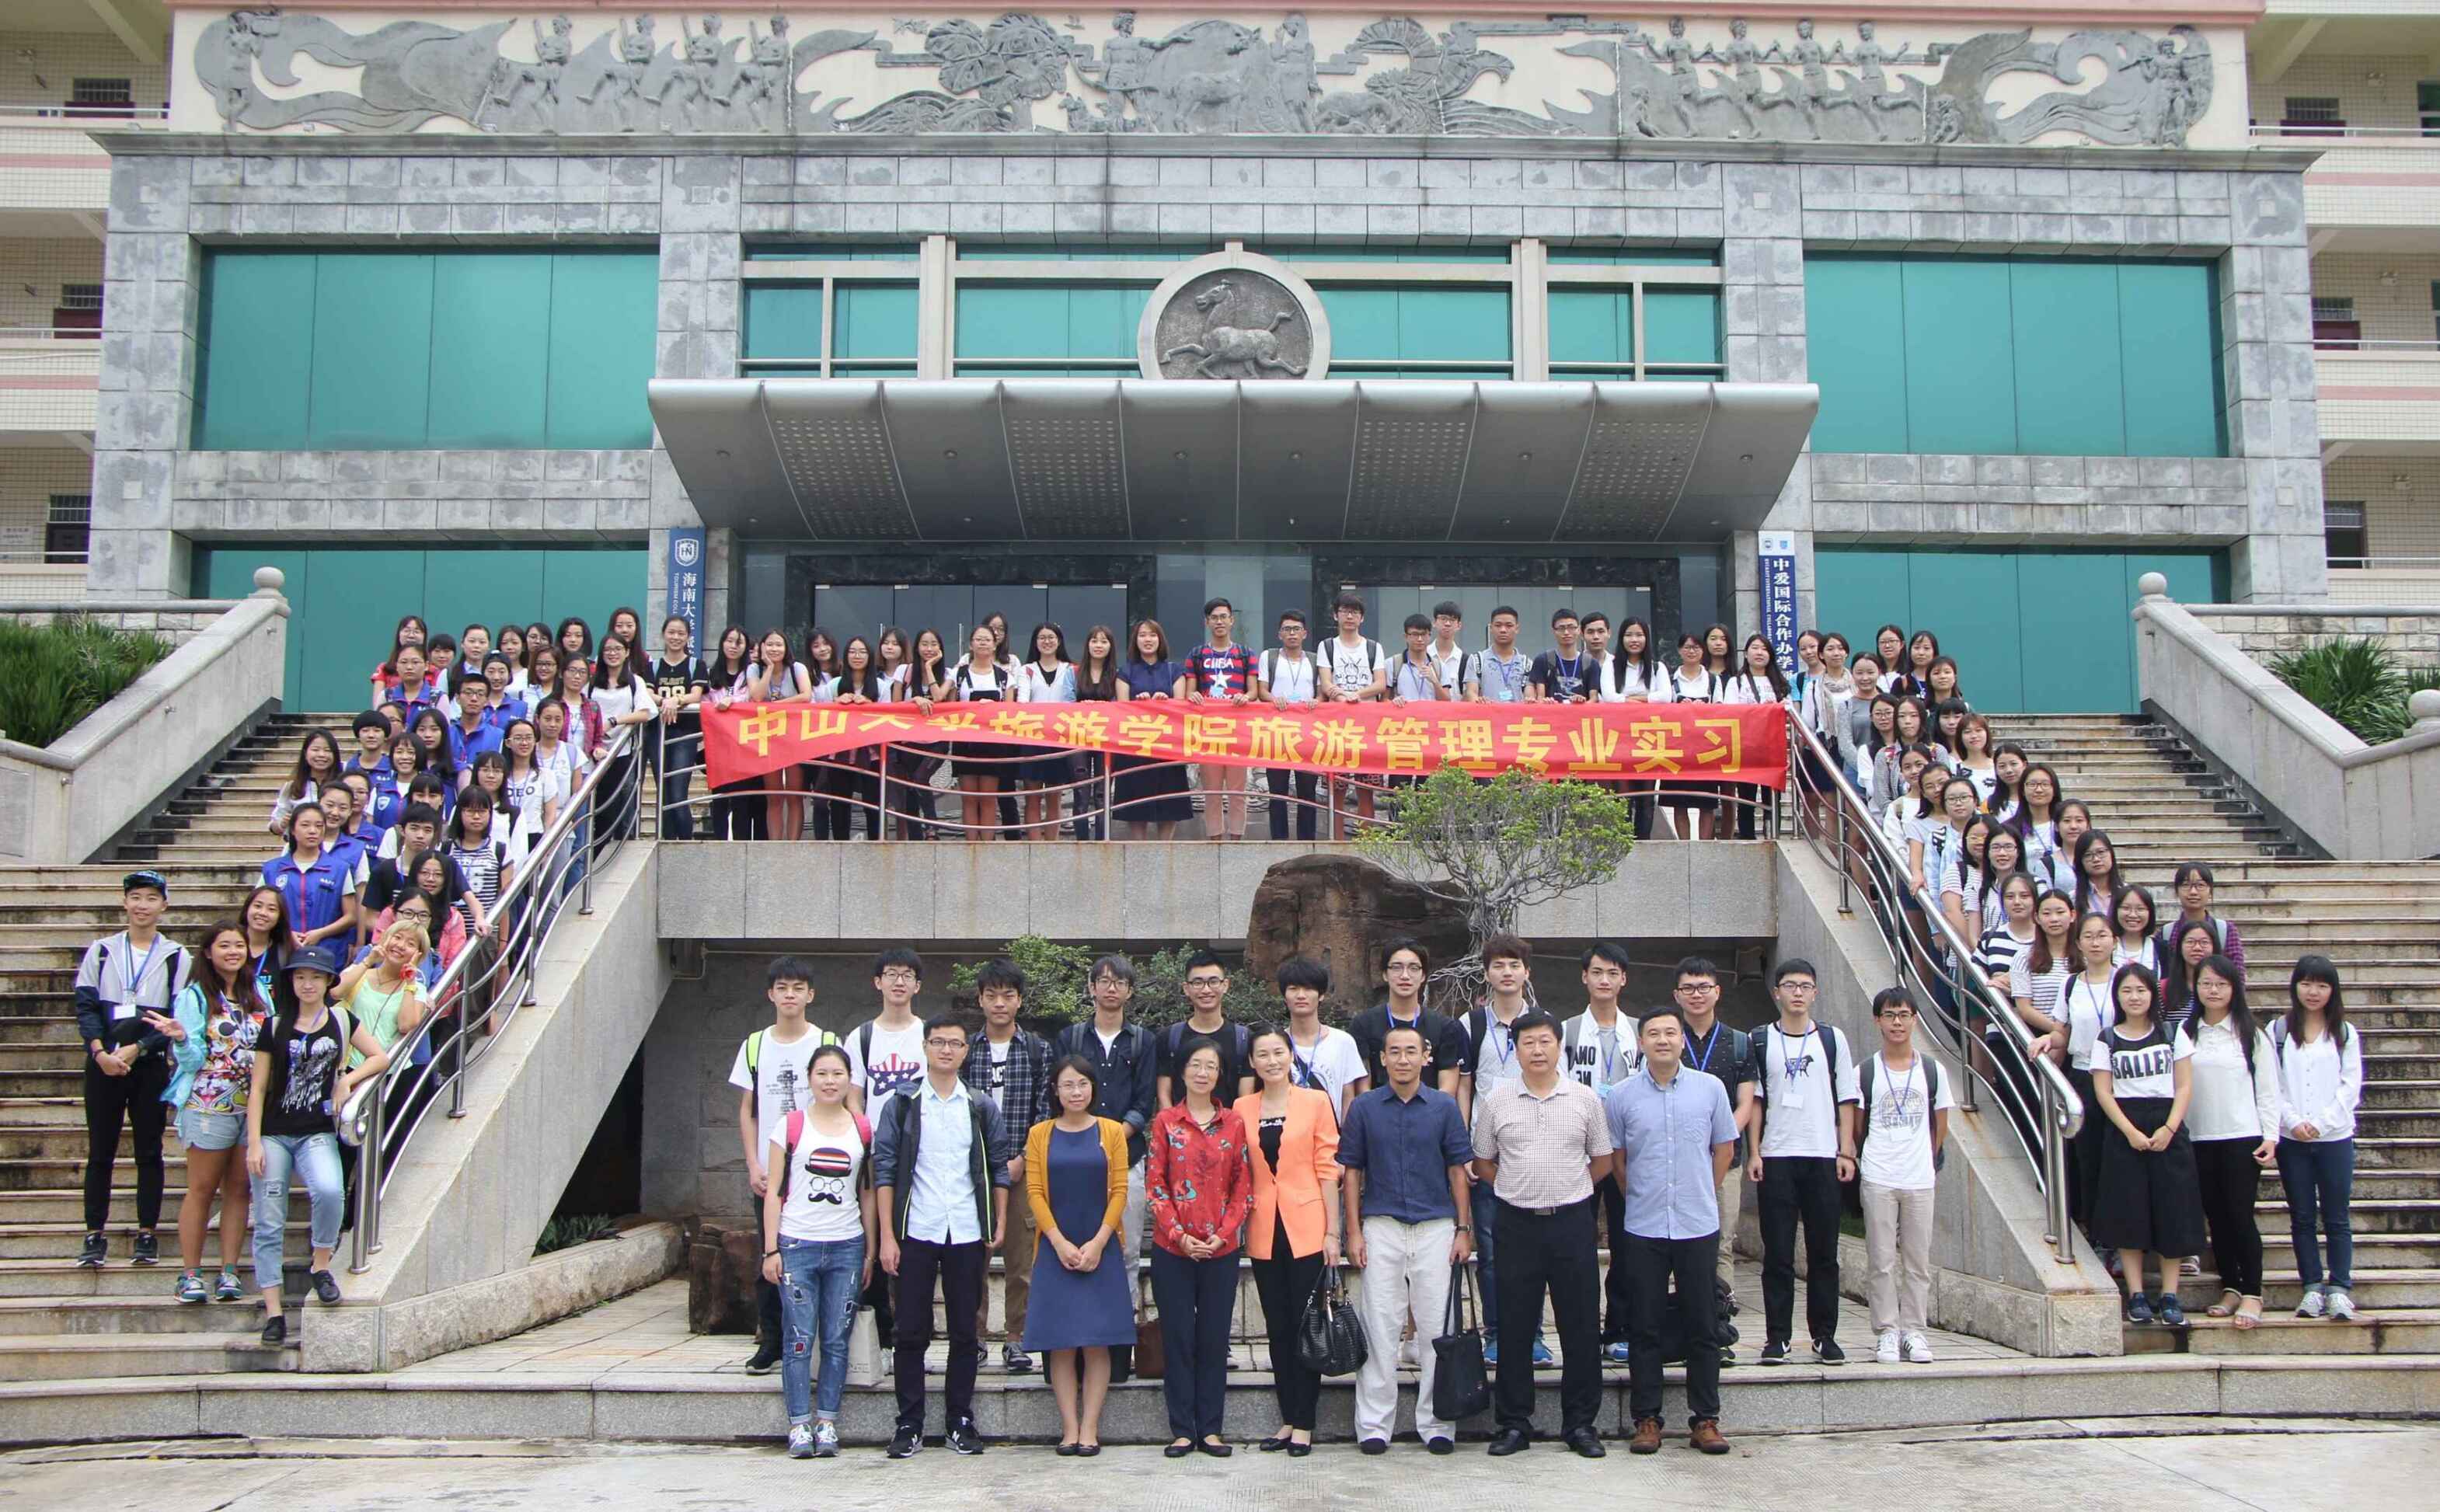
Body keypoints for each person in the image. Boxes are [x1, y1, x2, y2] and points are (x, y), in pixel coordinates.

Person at [1472, 1011, 1612, 1458]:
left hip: (1571, 1222)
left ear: (1558, 1048)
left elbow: (1602, 1160)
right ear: (1515, 1050)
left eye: (1545, 1042)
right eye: (1527, 1043)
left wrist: (1570, 1188)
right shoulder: (1497, 1100)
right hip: (1516, 1224)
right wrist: (1517, 1187)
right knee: (1514, 1325)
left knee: (1580, 1324)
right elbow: (1483, 1162)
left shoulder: (1584, 1099)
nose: (1537, 1050)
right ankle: (1514, 1424)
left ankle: (1581, 1424)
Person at [872, 1017, 1011, 1459]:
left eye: (954, 1043)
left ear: (966, 1051)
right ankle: (909, 1422)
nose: (946, 1050)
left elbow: (999, 1167)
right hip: (916, 1229)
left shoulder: (980, 1105)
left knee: (965, 1332)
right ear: (925, 1047)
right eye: (938, 1042)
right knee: (910, 1330)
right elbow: (884, 1170)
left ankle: (959, 1420)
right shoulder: (902, 1103)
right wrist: (888, 1236)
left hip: (967, 1230)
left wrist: (999, 1222)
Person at [1605, 1007, 1738, 1456]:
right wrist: (1640, 1195)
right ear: (1641, 1042)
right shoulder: (1621, 1096)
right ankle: (1647, 1419)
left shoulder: (1710, 1089)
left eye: (1670, 1033)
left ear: (1682, 1040)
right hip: (1643, 1225)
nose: (1662, 1040)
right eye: (1653, 1034)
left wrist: (1703, 1192)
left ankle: (1706, 1419)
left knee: (1703, 1323)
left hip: (1697, 1223)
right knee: (1644, 1324)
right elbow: (1618, 1159)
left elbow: (1723, 1149)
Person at [1340, 1022, 1473, 1455]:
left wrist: (1463, 1229)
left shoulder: (1443, 1107)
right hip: (1382, 1226)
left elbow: (1458, 1170)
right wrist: (1353, 1232)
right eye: (1394, 1051)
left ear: (1425, 1058)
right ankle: (1374, 1426)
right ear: (1382, 1059)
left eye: (1410, 1051)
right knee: (1380, 1327)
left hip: (1436, 1227)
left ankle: (1437, 1424)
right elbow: (1352, 1172)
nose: (1402, 1059)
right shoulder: (1364, 1108)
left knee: (1437, 1328)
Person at [246, 944, 389, 1343]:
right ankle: (274, 1312)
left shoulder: (340, 1019)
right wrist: (253, 1142)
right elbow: (257, 1088)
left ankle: (321, 1264)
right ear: (290, 982)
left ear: (328, 982)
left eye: (315, 977)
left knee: (329, 1190)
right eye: (300, 977)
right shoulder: (275, 1025)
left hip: (316, 1129)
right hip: (274, 1132)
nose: (307, 984)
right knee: (269, 1219)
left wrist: (348, 1080)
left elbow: (380, 1057)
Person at [72, 870, 192, 1267]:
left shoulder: (176, 955)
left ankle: (147, 1233)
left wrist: (138, 1049)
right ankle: (94, 1233)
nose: (143, 905)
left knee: (149, 1151)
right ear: (125, 902)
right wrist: (99, 1052)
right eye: (136, 897)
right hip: (103, 1062)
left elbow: (177, 1014)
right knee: (100, 1151)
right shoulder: (102, 950)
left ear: (164, 905)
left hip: (150, 1063)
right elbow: (86, 1006)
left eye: (151, 898)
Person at [761, 1042, 873, 1459]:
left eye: (838, 1074)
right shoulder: (789, 1125)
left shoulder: (862, 1128)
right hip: (797, 1243)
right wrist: (770, 1250)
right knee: (799, 1337)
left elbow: (867, 1192)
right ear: (809, 1079)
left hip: (847, 1245)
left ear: (849, 1080)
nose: (830, 1081)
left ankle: (827, 1421)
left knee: (837, 1339)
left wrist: (870, 1251)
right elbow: (773, 1192)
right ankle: (798, 1424)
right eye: (822, 1073)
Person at [1236, 1024, 1343, 1455]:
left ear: (1290, 1055)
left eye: (1279, 1052)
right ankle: (1287, 1418)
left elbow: (1328, 1168)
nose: (1272, 1061)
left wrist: (1333, 1231)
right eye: (1263, 1054)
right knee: (1277, 1328)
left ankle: (1305, 1422)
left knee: (1306, 1325)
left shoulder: (1315, 1101)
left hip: (1308, 1227)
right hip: (1264, 1228)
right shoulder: (1242, 1107)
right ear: (1252, 1062)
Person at [1746, 958, 1859, 1366]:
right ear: (1776, 992)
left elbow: (1846, 1097)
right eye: (1790, 985)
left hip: (1822, 1155)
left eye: (1805, 986)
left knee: (1824, 1252)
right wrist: (1754, 1151)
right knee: (1777, 1252)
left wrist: (1845, 1150)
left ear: (1815, 993)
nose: (1797, 992)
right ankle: (1778, 1337)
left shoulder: (1831, 1039)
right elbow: (1755, 1100)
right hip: (1776, 1155)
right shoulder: (1760, 1039)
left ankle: (1824, 1335)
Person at [731, 955, 840, 1374]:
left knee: (825, 1259)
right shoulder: (755, 1045)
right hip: (771, 1174)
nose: (790, 995)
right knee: (770, 1256)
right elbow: (748, 1110)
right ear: (770, 995)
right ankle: (771, 1341)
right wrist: (751, 1163)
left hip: (819, 1172)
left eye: (798, 988)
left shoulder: (826, 1040)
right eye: (782, 988)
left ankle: (822, 1344)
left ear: (811, 995)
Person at [1145, 1035, 1250, 1458]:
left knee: (1213, 1338)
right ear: (1182, 1071)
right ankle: (1182, 1430)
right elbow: (1156, 1184)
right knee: (1177, 1337)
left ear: (1220, 1074)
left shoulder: (1234, 1123)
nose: (1203, 1073)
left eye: (1211, 1066)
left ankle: (1211, 1429)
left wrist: (1223, 1234)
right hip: (1173, 1249)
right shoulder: (1166, 1122)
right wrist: (1179, 1236)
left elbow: (1243, 1185)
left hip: (1220, 1249)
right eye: (1195, 1065)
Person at [1024, 1056, 1135, 1455]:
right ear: (1056, 1090)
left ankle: (1090, 1428)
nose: (1076, 1092)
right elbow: (1035, 1192)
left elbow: (1120, 1190)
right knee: (1062, 1342)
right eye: (1068, 1085)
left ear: (1093, 1088)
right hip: (1056, 1248)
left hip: (1100, 1246)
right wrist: (1058, 1242)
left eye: (1083, 1084)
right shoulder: (1040, 1134)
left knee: (1096, 1341)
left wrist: (1100, 1242)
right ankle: (1069, 1428)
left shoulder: (1111, 1131)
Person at [2089, 963, 2208, 1326]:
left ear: (2152, 994)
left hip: (2167, 1124)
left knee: (2174, 1211)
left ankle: (2170, 1295)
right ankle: (2137, 1294)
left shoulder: (2172, 1034)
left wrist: (2170, 1128)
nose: (2134, 997)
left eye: (2141, 990)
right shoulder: (2107, 1039)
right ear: (2117, 996)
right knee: (2129, 1213)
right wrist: (2129, 1132)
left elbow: (2184, 1085)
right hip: (2125, 1129)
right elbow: (2103, 1091)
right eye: (2127, 991)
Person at [152, 923, 265, 1304]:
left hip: (251, 1106)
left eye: (239, 945)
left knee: (239, 1189)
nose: (233, 952)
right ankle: (190, 1274)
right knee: (201, 1189)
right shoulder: (195, 995)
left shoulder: (258, 991)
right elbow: (192, 1059)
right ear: (208, 952)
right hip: (208, 1103)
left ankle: (229, 1271)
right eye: (224, 945)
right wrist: (182, 1038)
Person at [1049, 956, 1156, 1312]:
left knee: (1127, 1249)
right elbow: (1061, 1095)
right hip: (1075, 1159)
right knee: (1077, 1240)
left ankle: (1123, 1327)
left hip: (1127, 1158)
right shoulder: (1070, 1038)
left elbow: (1144, 1102)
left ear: (1130, 991)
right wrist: (1087, 1140)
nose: (1112, 989)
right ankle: (1080, 1323)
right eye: (1105, 982)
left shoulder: (1143, 1041)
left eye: (1120, 983)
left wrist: (1110, 1139)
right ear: (1092, 988)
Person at [961, 958, 1053, 1374]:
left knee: (1022, 1262)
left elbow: (1045, 1110)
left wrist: (1022, 1159)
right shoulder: (966, 1049)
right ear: (980, 1000)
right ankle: (974, 1338)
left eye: (1008, 995)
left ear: (1019, 1001)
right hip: (972, 1172)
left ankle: (1017, 1338)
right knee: (972, 1260)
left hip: (1023, 1168)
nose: (1000, 1003)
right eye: (992, 995)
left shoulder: (1037, 1049)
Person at [1854, 988, 1954, 1364]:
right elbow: (1858, 1126)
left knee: (1918, 1260)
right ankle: (1886, 1331)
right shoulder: (1865, 1071)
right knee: (1880, 1259)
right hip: (1878, 1174)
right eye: (1889, 1015)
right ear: (1877, 1020)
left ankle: (1914, 1330)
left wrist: (1925, 1160)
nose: (1897, 1022)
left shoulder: (1932, 1070)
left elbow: (1940, 1125)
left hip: (1919, 1177)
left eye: (1904, 1015)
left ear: (1914, 1020)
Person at [1458, 933, 1544, 1366]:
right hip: (1487, 1156)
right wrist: (1465, 1150)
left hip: (1535, 1156)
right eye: (1498, 965)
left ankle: (1534, 1335)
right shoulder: (1470, 1024)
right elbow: (1465, 1088)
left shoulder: (1544, 1023)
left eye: (1514, 965)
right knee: (1491, 1252)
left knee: (1536, 1251)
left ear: (1526, 972)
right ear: (1487, 973)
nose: (1507, 973)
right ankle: (1496, 1334)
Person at [2180, 954, 2278, 1332]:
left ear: (2234, 989)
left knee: (2240, 1216)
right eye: (2206, 983)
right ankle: (2231, 1287)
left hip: (2241, 1136)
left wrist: (2271, 1135)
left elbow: (2268, 1089)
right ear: (2196, 987)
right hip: (2199, 1137)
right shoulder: (2187, 1032)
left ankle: (2253, 1291)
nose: (2213, 991)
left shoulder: (2251, 1033)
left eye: (2221, 984)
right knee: (2216, 1219)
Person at [848, 946, 930, 1347]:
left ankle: (913, 1335)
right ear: (877, 982)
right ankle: (879, 1336)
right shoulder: (861, 1036)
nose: (899, 982)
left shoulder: (928, 1035)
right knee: (874, 1240)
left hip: (920, 1158)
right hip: (874, 1156)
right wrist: (866, 1141)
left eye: (907, 975)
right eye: (891, 974)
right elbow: (853, 1097)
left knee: (914, 1246)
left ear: (918, 985)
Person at [1563, 942, 1640, 1361]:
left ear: (1624, 979)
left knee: (1628, 1242)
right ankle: (1582, 1329)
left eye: (1612, 973)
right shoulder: (1568, 1031)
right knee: (1579, 1242)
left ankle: (1620, 1328)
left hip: (1628, 1150)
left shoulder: (1639, 1031)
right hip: (1580, 1152)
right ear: (1584, 977)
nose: (1604, 980)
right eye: (1597, 972)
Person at [2275, 954, 2361, 1320]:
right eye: (2307, 983)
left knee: (2337, 1217)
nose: (2313, 992)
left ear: (2332, 990)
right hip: (2291, 1139)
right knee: (2302, 1217)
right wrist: (2293, 1121)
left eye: (2322, 985)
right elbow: (2273, 1083)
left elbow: (2350, 1086)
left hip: (2335, 1138)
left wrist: (2322, 1124)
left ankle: (2339, 1288)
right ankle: (2311, 1287)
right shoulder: (2278, 1031)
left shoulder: (2344, 1032)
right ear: (2295, 986)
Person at [1671, 957, 1755, 1305]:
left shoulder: (1740, 1043)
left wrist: (1720, 1138)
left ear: (1717, 992)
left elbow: (1746, 1103)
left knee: (1722, 1239)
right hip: (1677, 1160)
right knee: (1676, 1238)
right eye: (1688, 988)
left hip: (1726, 1159)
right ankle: (1682, 1305)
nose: (1697, 994)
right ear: (1677, 995)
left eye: (1704, 987)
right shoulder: (1667, 1039)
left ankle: (1722, 1307)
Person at [1347, 937, 1466, 1096]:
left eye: (1414, 968)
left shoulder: (1445, 1027)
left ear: (1423, 975)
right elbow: (1363, 1089)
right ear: (1385, 974)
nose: (1405, 976)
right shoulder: (1364, 1024)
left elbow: (1447, 1089)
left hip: (1430, 1110)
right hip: (1378, 1110)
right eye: (1397, 967)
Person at [1184, 597, 1258, 839]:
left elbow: (1253, 691)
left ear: (1232, 620)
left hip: (1238, 731)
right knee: (1212, 792)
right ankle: (1215, 839)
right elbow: (1189, 692)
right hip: (1208, 731)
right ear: (1207, 622)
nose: (1219, 622)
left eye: (1224, 617)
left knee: (1238, 792)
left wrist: (1245, 697)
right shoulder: (1196, 654)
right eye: (1214, 618)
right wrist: (1194, 696)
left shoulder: (1245, 654)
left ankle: (1236, 839)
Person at [1112, 619, 1190, 840]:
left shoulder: (1174, 670)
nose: (1148, 639)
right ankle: (1140, 850)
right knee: (1136, 805)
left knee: (1169, 803)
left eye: (1152, 635)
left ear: (1160, 639)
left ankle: (1165, 850)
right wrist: (1140, 704)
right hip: (1136, 748)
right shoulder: (1125, 672)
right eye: (1143, 635)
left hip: (1167, 747)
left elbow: (1180, 707)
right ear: (1135, 641)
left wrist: (1166, 702)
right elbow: (1122, 708)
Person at [1317, 594, 1386, 834]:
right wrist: (1342, 697)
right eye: (1345, 611)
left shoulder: (1373, 647)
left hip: (1368, 726)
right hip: (1337, 726)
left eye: (1355, 612)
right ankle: (1337, 843)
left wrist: (1357, 694)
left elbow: (1380, 683)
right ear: (1336, 615)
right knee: (1337, 788)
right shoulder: (1327, 646)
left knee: (1366, 788)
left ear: (1362, 618)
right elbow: (1326, 683)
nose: (1350, 616)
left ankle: (1367, 843)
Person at [1156, 949, 1254, 1107]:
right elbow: (1164, 1097)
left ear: (1225, 985)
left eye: (1213, 981)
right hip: (1179, 1123)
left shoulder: (1244, 1039)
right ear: (1186, 988)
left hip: (1231, 1122)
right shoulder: (1169, 1037)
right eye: (1198, 983)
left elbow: (1246, 1101)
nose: (1206, 990)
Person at [263, 803, 361, 957]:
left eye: (319, 826)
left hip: (327, 951)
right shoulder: (272, 869)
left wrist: (320, 933)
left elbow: (351, 917)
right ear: (293, 830)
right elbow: (260, 910)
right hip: (282, 949)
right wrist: (287, 933)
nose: (313, 831)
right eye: (305, 825)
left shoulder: (340, 869)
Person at [1256, 610, 1322, 840]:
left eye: (1296, 629)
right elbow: (1262, 691)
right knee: (1278, 791)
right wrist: (1274, 699)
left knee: (1307, 790)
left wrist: (1317, 700)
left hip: (1308, 733)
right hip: (1277, 732)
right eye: (1287, 629)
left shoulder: (1315, 659)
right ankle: (1279, 841)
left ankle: (1307, 842)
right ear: (1279, 634)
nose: (1292, 633)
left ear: (1305, 633)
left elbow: (1322, 693)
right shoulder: (1269, 657)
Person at [1275, 956, 1367, 1115]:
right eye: (1293, 989)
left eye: (1308, 989)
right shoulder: (1275, 1044)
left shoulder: (1342, 1042)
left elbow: (1347, 1096)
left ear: (1321, 995)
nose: (1301, 995)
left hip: (1331, 1129)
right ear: (1284, 995)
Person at [647, 615, 709, 840]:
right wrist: (665, 701)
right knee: (663, 791)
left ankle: (684, 841)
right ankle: (666, 840)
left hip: (685, 734)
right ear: (663, 634)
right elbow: (647, 693)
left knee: (678, 792)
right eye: (671, 632)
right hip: (658, 733)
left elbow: (696, 695)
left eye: (681, 633)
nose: (676, 637)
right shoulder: (652, 666)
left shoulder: (696, 665)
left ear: (688, 637)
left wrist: (676, 700)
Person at [1479, 605, 1532, 705]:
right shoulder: (1478, 660)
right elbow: (1471, 693)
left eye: (1509, 625)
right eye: (1498, 625)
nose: (1503, 630)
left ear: (1517, 629)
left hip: (1517, 715)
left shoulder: (1527, 664)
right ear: (1491, 628)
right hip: (1488, 715)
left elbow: (1529, 697)